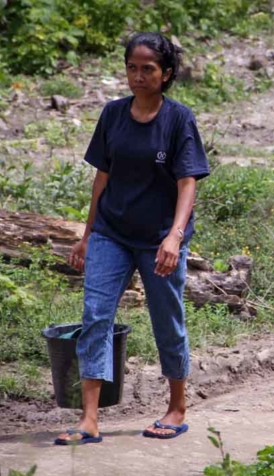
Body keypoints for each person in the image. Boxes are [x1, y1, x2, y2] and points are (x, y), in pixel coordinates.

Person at [55, 32, 209, 445]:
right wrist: (86, 236)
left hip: (160, 238)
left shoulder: (178, 119)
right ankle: (89, 419)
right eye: (131, 68)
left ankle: (176, 407)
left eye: (148, 69)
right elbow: (101, 179)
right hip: (112, 232)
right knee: (96, 317)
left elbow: (188, 183)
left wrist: (174, 238)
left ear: (166, 74)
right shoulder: (112, 115)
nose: (138, 77)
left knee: (166, 319)